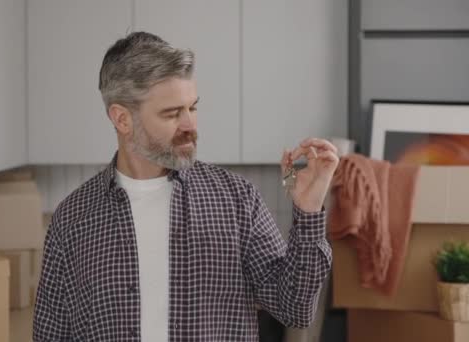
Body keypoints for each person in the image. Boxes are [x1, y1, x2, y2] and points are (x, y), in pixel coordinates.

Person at [33, 31, 338, 342]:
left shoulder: (236, 201)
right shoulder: (73, 219)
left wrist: (309, 208)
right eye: (171, 113)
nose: (190, 126)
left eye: (192, 108)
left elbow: (295, 308)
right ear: (122, 119)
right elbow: (50, 335)